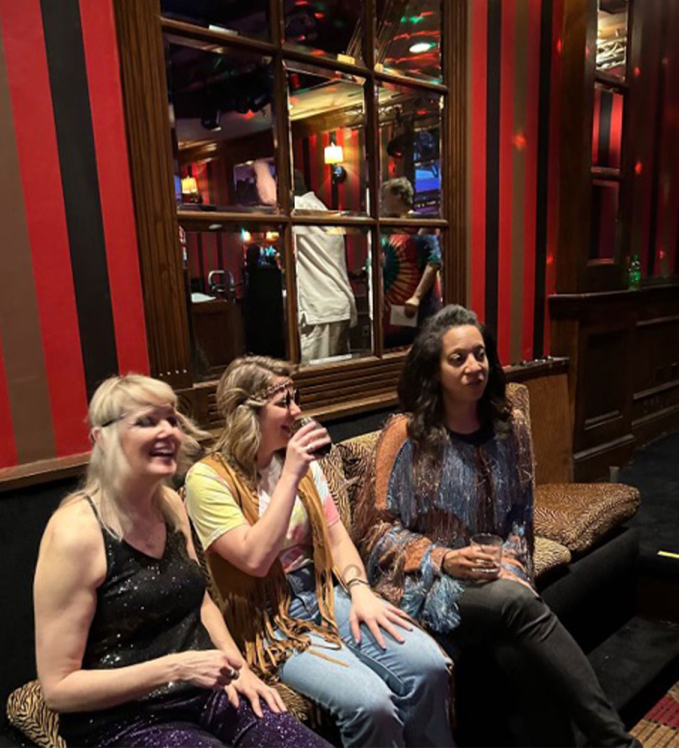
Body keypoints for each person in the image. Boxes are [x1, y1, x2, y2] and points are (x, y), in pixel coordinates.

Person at [355, 305, 640, 748]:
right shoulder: (406, 435)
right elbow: (376, 533)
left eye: (480, 354)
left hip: (495, 578)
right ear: (434, 369)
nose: (474, 366)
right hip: (424, 586)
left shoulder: (510, 428)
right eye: (458, 359)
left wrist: (509, 566)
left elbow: (520, 522)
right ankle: (616, 742)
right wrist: (444, 559)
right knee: (517, 604)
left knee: (521, 650)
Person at [33, 373, 329, 748]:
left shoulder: (170, 504)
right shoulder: (74, 533)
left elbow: (201, 602)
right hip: (122, 720)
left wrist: (239, 668)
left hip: (202, 694)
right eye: (146, 421)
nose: (168, 432)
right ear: (101, 439)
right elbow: (58, 689)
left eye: (171, 419)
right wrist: (176, 667)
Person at [184, 356, 454, 748]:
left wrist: (360, 591)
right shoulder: (207, 478)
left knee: (429, 668)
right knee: (371, 704)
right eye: (283, 402)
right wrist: (291, 474)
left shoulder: (297, 461)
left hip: (325, 593)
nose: (296, 411)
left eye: (296, 397)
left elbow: (336, 537)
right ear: (247, 412)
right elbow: (255, 559)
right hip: (268, 618)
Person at [254, 160, 357, 363]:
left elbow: (269, 197)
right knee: (336, 373)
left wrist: (259, 165)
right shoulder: (318, 207)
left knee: (315, 376)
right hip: (335, 306)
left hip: (321, 309)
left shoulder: (302, 208)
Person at [380, 178, 442, 348]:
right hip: (393, 307)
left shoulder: (418, 224)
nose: (381, 201)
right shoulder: (390, 227)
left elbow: (434, 261)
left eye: (384, 197)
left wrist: (416, 297)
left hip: (416, 306)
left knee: (418, 349)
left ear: (398, 196)